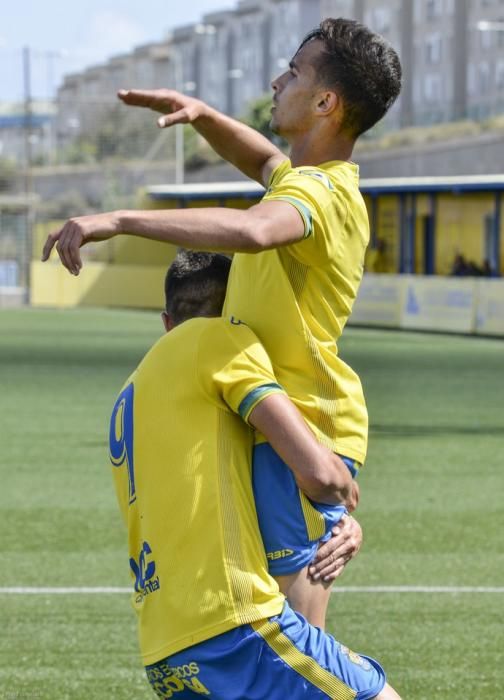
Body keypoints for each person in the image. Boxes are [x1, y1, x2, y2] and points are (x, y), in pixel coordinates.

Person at [43, 18, 401, 624]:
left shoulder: (323, 193)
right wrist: (201, 113)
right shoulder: (303, 182)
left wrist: (123, 220)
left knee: (298, 651)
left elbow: (254, 231)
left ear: (324, 102)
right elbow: (260, 158)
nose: (275, 80)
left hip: (302, 431)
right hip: (279, 425)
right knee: (277, 646)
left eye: (293, 71)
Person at [110, 249, 401, 699]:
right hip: (234, 627)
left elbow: (216, 486)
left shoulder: (131, 392)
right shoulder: (220, 340)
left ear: (167, 321)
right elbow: (319, 472)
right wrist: (340, 499)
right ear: (236, 312)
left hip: (164, 650)